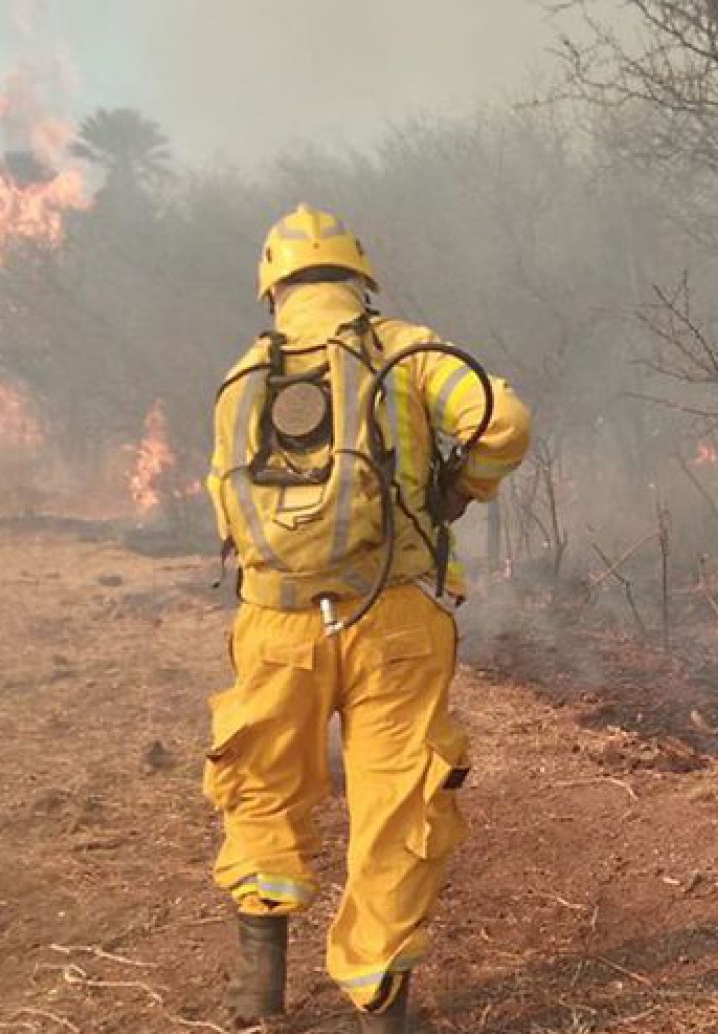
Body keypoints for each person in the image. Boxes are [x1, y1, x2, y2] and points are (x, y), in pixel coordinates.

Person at [202, 204, 531, 1031]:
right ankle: (380, 1005)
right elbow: (505, 424)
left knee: (262, 782)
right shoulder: (408, 351)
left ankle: (257, 983)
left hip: (276, 623)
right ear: (360, 278)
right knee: (396, 802)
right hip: (394, 617)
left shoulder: (244, 374)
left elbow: (223, 501)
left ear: (271, 289)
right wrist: (458, 489)